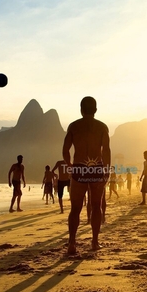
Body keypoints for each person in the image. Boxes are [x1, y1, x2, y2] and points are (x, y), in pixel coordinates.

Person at [63, 96, 111, 254]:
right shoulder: (102, 127)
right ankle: (95, 242)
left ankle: (72, 244)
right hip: (96, 169)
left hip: (79, 169)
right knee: (96, 206)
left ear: (81, 109)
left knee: (75, 208)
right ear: (95, 110)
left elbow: (65, 149)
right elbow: (106, 150)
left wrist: (70, 165)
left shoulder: (74, 126)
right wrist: (106, 170)